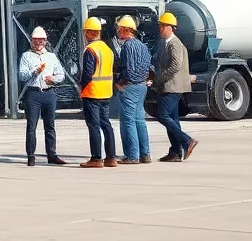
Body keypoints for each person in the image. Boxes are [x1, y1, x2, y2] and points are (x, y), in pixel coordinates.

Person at [150, 12, 197, 162]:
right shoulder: (167, 43)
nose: (160, 29)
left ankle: (187, 140)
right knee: (172, 119)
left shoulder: (174, 43)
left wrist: (160, 78)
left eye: (162, 26)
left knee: (162, 115)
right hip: (170, 86)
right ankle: (176, 152)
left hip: (172, 87)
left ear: (169, 27)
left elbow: (176, 65)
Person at [18, 26, 66, 166]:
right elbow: (22, 75)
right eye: (36, 40)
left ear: (45, 41)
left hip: (49, 93)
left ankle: (52, 155)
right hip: (33, 93)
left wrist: (53, 79)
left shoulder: (51, 57)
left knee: (50, 126)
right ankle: (31, 156)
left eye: (41, 40)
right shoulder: (26, 56)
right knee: (31, 126)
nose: (38, 43)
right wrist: (35, 71)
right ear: (31, 41)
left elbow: (61, 75)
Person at [77, 17, 116, 168]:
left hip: (92, 93)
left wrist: (81, 87)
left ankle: (96, 158)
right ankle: (111, 157)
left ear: (88, 33)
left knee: (94, 126)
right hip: (106, 92)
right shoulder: (107, 49)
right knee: (106, 124)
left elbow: (87, 73)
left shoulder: (91, 50)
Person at [113, 15, 152, 165]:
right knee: (139, 120)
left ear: (126, 30)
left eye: (119, 29)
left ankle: (132, 156)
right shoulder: (143, 46)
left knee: (128, 121)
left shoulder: (127, 46)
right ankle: (145, 154)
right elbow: (149, 67)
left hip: (129, 87)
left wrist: (120, 83)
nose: (118, 32)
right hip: (142, 86)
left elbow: (128, 69)